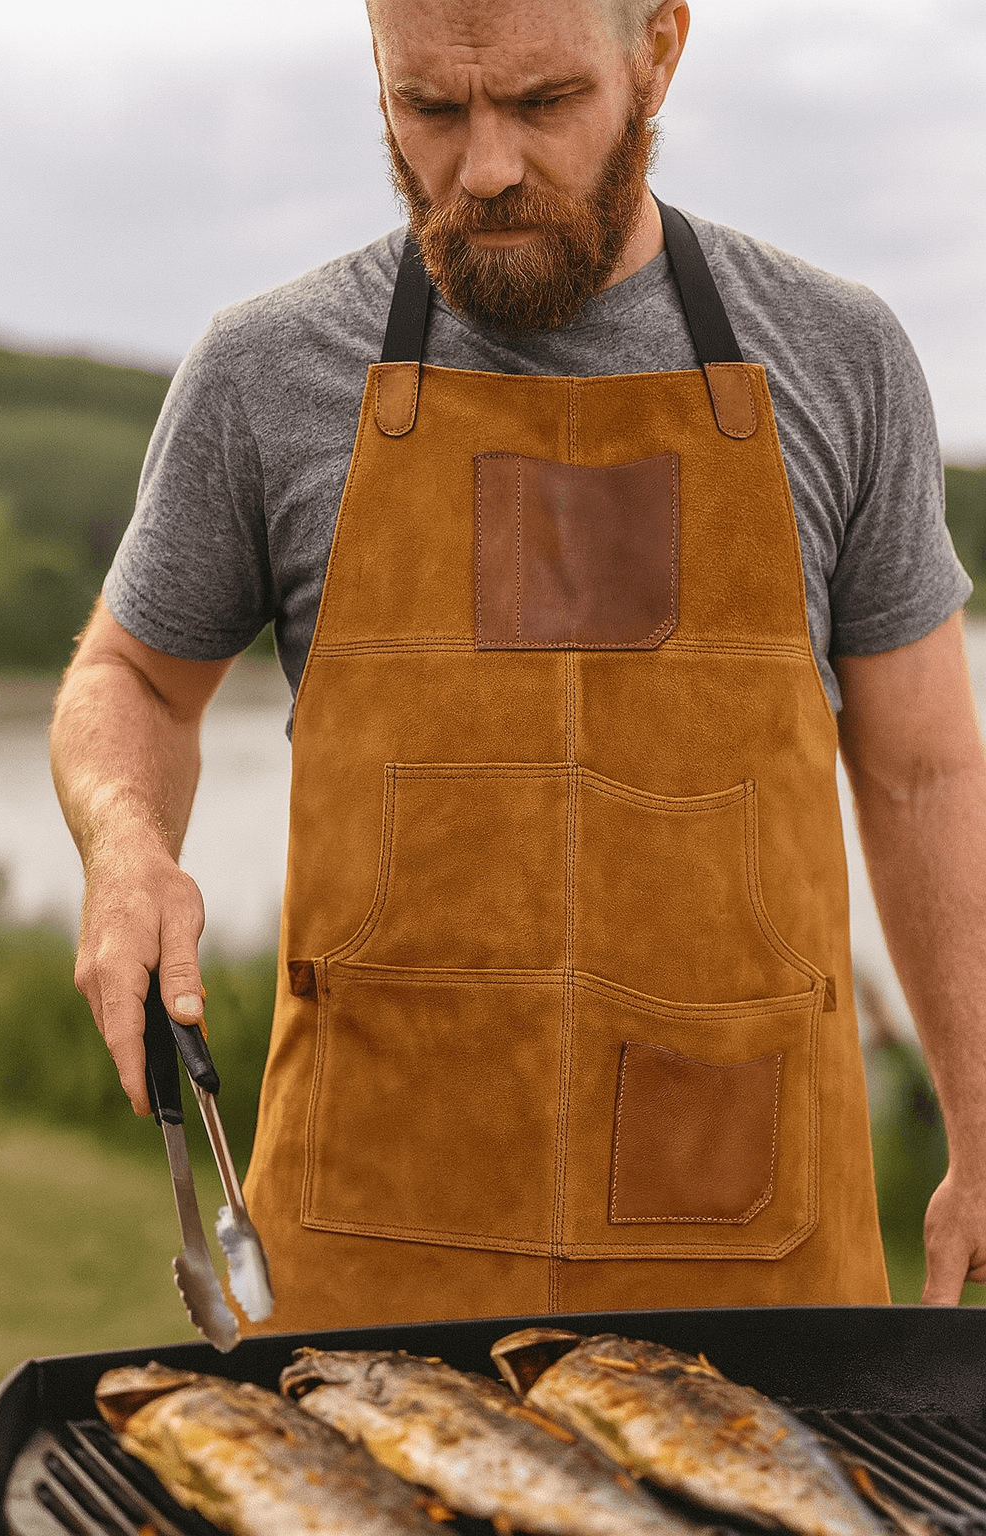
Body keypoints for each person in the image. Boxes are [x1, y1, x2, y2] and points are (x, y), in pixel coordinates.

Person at [50, 0, 986, 1327]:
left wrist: (981, 1117)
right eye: (430, 108)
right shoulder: (265, 373)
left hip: (752, 1250)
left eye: (543, 103)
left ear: (659, 48)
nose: (484, 169)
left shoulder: (840, 361)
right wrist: (125, 846)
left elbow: (923, 771)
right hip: (369, 1257)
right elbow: (133, 681)